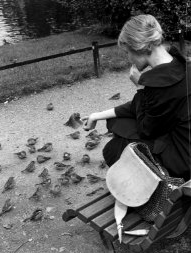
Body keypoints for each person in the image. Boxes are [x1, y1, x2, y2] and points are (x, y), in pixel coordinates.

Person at [82, 14, 191, 181]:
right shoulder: (180, 66)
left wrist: (140, 87)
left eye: (127, 53)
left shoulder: (162, 84)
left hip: (182, 160)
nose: (128, 59)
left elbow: (146, 129)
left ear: (140, 48)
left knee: (113, 148)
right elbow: (144, 105)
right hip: (182, 139)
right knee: (116, 122)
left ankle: (151, 184)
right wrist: (98, 115)